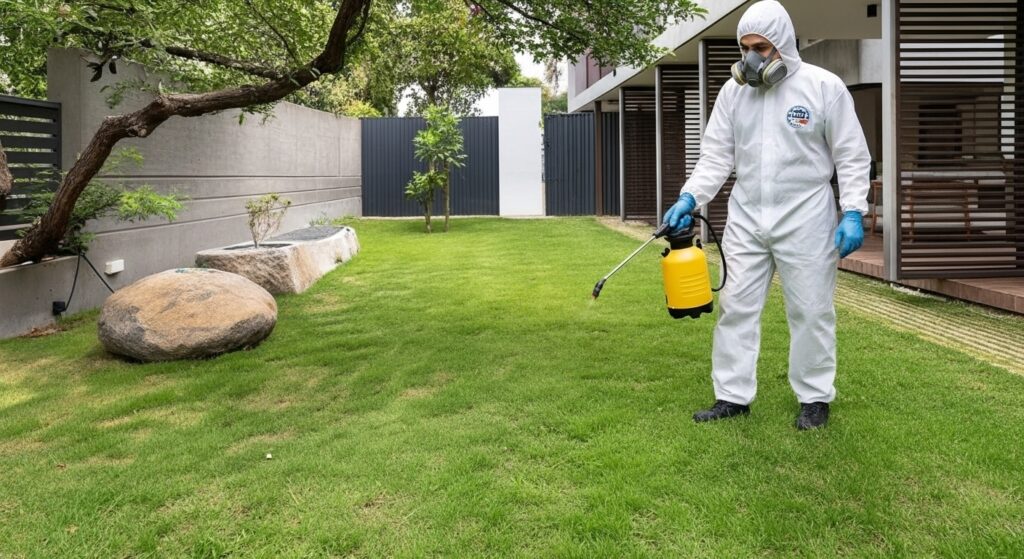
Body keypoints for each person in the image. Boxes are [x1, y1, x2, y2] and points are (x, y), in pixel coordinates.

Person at [662, 0, 869, 430]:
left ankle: (814, 398)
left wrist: (852, 210)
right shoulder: (734, 92)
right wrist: (688, 198)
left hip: (807, 218)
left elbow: (851, 155)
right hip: (746, 218)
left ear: (784, 46)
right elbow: (715, 157)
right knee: (735, 306)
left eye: (762, 46)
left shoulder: (823, 87)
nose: (752, 58)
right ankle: (732, 397)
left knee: (811, 310)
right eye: (746, 48)